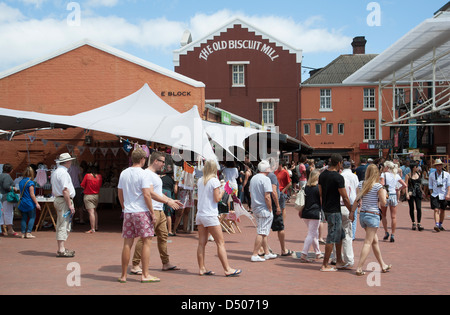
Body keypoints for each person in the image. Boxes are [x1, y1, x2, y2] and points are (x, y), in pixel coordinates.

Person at [131, 151, 183, 275]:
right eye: (162, 162)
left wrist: (169, 200)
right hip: (152, 210)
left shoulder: (154, 175)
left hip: (159, 210)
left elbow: (156, 193)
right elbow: (150, 193)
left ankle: (165, 262)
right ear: (155, 161)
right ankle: (135, 264)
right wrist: (168, 201)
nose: (164, 165)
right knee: (145, 238)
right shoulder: (147, 174)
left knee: (163, 236)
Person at [117, 148, 158, 283]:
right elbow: (146, 194)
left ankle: (123, 275)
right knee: (147, 241)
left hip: (128, 212)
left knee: (127, 243)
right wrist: (152, 212)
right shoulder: (143, 174)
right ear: (142, 159)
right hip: (141, 211)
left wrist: (124, 207)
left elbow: (120, 193)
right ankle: (145, 274)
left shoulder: (124, 173)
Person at [196, 159, 242, 277]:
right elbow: (217, 199)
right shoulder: (214, 181)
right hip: (210, 214)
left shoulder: (200, 180)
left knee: (202, 243)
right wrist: (222, 191)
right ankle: (227, 269)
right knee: (220, 242)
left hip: (200, 214)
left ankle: (201, 268)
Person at [350, 164, 392, 276]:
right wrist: (385, 195)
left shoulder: (361, 184)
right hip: (372, 215)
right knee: (368, 242)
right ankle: (359, 268)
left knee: (374, 241)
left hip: (363, 215)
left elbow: (357, 199)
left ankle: (382, 264)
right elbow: (383, 203)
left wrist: (351, 213)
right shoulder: (378, 186)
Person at [318, 153, 352, 272]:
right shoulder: (338, 177)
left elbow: (320, 193)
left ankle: (339, 260)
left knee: (340, 235)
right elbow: (345, 197)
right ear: (339, 163)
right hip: (334, 210)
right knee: (332, 237)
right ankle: (325, 264)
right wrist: (351, 211)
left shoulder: (322, 175)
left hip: (327, 208)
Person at [250, 160, 277, 262]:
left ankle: (267, 252)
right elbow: (267, 196)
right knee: (261, 232)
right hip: (263, 208)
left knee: (263, 230)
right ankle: (255, 254)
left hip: (256, 207)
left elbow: (251, 193)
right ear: (266, 169)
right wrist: (270, 208)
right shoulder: (266, 179)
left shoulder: (254, 178)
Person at [51, 153, 77, 257]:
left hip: (59, 199)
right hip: (63, 200)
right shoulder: (63, 173)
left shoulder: (56, 172)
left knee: (62, 222)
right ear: (66, 162)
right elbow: (65, 190)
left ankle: (61, 247)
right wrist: (70, 204)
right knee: (63, 223)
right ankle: (61, 249)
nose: (71, 163)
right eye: (70, 161)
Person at [268, 157, 291, 256]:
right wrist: (277, 205)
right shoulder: (272, 175)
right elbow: (273, 191)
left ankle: (263, 249)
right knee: (279, 227)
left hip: (275, 196)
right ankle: (283, 249)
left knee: (263, 228)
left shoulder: (261, 175)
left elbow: (289, 182)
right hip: (274, 198)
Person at [298, 170, 322, 263]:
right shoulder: (318, 188)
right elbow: (321, 201)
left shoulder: (305, 187)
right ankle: (304, 254)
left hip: (306, 213)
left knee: (313, 233)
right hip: (314, 213)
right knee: (311, 234)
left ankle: (318, 252)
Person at [338, 160, 359, 268]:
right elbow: (356, 189)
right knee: (348, 231)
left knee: (337, 233)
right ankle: (349, 258)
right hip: (350, 203)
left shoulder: (340, 176)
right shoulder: (353, 176)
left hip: (338, 206)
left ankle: (336, 257)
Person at [380, 161, 406, 242]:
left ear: (387, 167)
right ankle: (393, 234)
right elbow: (405, 185)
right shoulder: (396, 175)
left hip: (386, 195)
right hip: (393, 195)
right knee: (393, 216)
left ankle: (386, 232)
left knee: (383, 215)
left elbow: (382, 184)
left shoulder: (383, 174)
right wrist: (398, 189)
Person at [18, 166, 41, 239]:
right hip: (29, 202)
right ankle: (28, 232)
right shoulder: (30, 183)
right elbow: (32, 194)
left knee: (24, 218)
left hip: (22, 201)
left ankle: (22, 233)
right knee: (32, 217)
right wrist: (37, 203)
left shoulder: (21, 181)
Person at [428, 159, 450, 232]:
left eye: (440, 165)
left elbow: (448, 185)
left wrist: (448, 194)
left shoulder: (447, 174)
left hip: (444, 194)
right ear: (435, 166)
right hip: (435, 194)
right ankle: (437, 224)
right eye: (437, 165)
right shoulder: (432, 175)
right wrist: (431, 194)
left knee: (442, 210)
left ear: (442, 166)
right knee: (436, 209)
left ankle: (440, 224)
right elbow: (430, 185)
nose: (439, 166)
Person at [80, 165, 103, 233]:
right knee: (95, 211)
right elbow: (100, 185)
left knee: (91, 212)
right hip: (96, 195)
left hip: (88, 195)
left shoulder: (87, 176)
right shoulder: (99, 176)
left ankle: (92, 228)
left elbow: (82, 185)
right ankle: (96, 226)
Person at [0, 163, 19, 236]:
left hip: (1, 196)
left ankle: (1, 229)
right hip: (6, 197)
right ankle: (10, 229)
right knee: (8, 212)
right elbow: (6, 186)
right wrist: (13, 188)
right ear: (11, 170)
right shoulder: (7, 177)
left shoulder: (1, 175)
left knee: (1, 213)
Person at [405, 162, 424, 231]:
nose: (418, 168)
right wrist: (406, 193)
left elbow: (420, 184)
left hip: (418, 192)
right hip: (411, 193)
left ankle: (419, 223)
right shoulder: (408, 175)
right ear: (413, 168)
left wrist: (422, 191)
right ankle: (413, 222)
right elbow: (406, 185)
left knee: (419, 208)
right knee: (412, 208)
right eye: (417, 166)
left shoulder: (419, 174)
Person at [162, 168, 177, 236]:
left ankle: (157, 231)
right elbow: (175, 190)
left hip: (160, 192)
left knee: (160, 212)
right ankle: (169, 231)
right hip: (167, 193)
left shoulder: (162, 178)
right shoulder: (172, 180)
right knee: (168, 213)